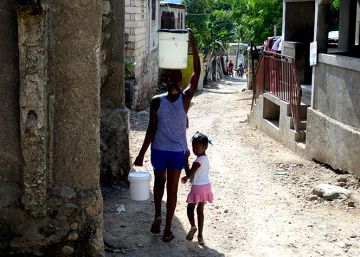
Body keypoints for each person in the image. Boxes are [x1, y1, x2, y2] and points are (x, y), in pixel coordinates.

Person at [133, 29, 200, 242]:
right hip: (176, 153)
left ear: (165, 81)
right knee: (172, 191)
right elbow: (197, 72)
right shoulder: (185, 98)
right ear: (180, 81)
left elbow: (151, 130)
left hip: (159, 151)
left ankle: (157, 215)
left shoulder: (155, 101)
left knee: (158, 183)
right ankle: (168, 229)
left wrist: (140, 154)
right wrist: (193, 45)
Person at [181, 132, 214, 245]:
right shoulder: (205, 158)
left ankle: (193, 226)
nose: (195, 149)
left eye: (197, 147)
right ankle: (200, 236)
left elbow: (189, 173)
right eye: (193, 147)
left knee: (190, 208)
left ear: (205, 147)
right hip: (206, 187)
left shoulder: (197, 161)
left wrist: (185, 161)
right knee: (200, 211)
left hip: (198, 188)